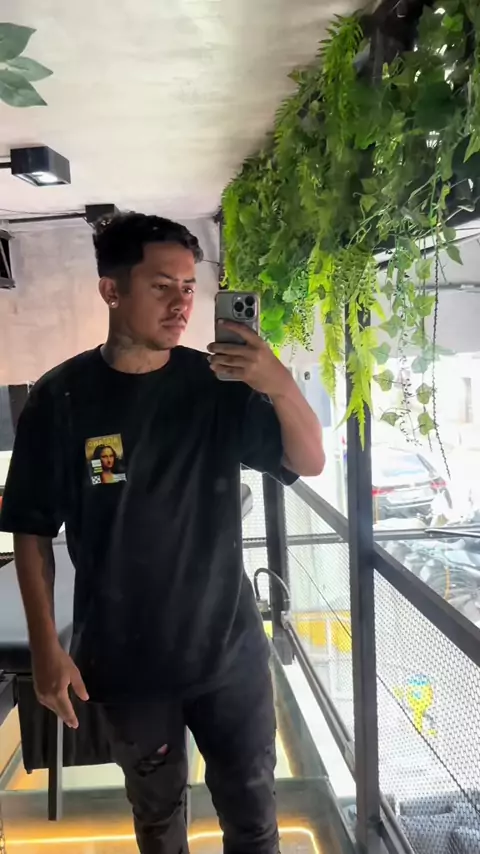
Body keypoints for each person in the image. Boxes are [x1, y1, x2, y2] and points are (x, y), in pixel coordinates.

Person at [1, 212, 325, 854]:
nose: (181, 303)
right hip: (128, 661)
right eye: (161, 286)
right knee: (157, 820)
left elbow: (309, 460)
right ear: (111, 290)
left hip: (229, 653)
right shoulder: (60, 399)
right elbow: (31, 530)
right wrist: (44, 647)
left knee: (254, 820)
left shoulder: (216, 386)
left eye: (188, 287)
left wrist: (279, 383)